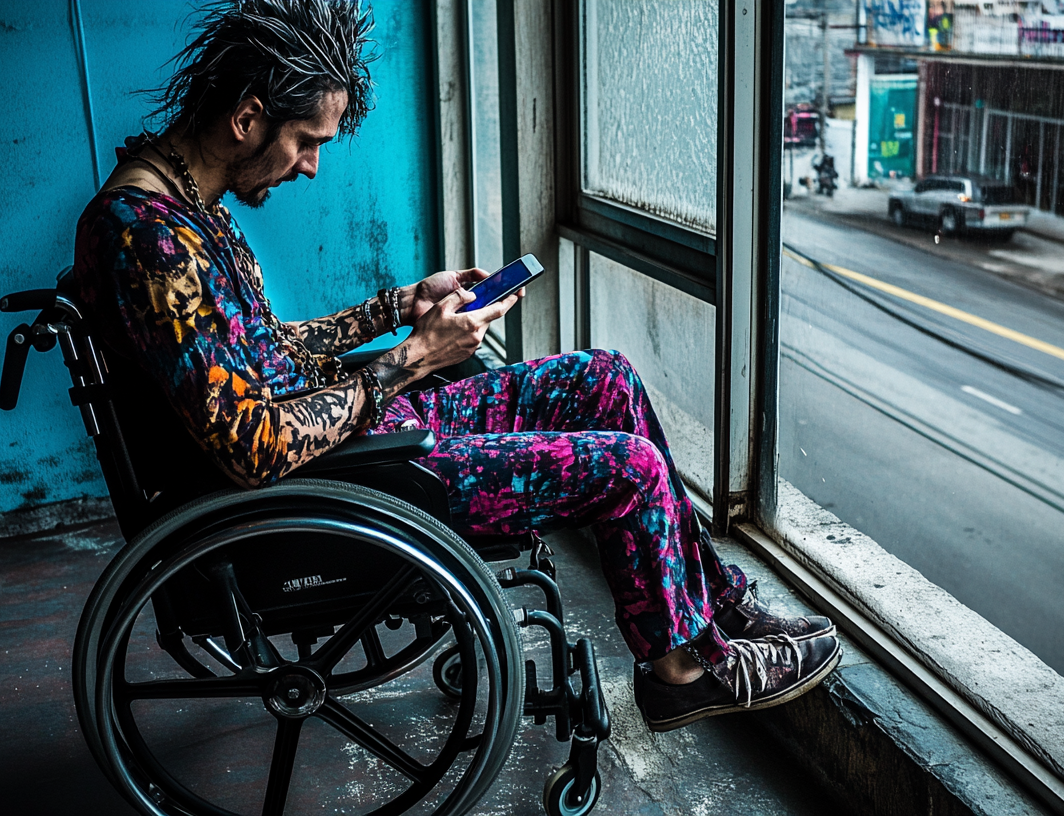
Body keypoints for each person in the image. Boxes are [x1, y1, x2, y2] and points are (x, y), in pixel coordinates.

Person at [72, 0, 841, 733]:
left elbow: (269, 348)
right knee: (630, 468)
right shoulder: (151, 242)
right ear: (247, 117)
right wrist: (412, 362)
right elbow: (251, 445)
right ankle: (682, 670)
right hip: (348, 483)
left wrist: (402, 305)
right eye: (307, 140)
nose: (309, 167)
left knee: (602, 376)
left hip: (360, 443)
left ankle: (713, 600)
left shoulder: (186, 212)